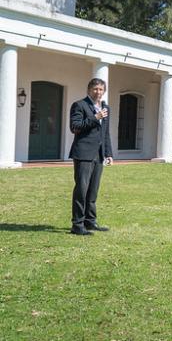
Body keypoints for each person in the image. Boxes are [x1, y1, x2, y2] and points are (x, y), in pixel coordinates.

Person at [68, 78, 113, 236]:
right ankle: (77, 224)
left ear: (104, 91)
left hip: (98, 155)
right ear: (88, 90)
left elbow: (105, 133)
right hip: (83, 154)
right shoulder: (79, 105)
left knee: (93, 191)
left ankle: (90, 221)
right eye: (95, 89)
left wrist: (108, 153)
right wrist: (96, 117)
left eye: (101, 89)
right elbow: (75, 127)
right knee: (81, 189)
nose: (98, 92)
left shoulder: (106, 108)